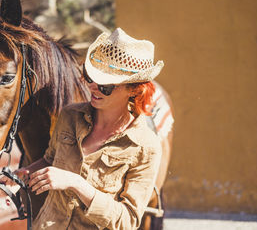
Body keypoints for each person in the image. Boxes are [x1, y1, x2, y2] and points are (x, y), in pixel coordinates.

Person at [15, 28, 165, 229]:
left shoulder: (146, 147)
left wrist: (76, 183)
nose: (93, 87)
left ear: (134, 89)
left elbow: (127, 221)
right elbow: (50, 159)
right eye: (90, 77)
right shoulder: (69, 116)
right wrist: (25, 173)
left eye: (106, 85)